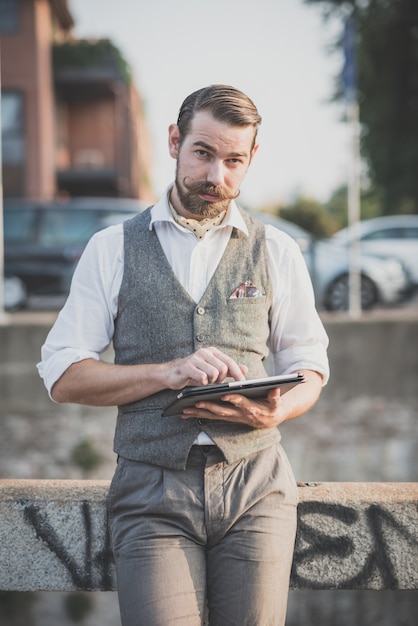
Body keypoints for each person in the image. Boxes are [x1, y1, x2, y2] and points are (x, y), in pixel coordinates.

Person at [38, 84, 329, 626]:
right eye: (203, 152)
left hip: (256, 484)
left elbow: (310, 366)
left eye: (233, 160)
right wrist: (166, 373)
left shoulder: (278, 250)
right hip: (150, 490)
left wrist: (277, 410)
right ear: (175, 141)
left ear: (250, 160)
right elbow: (63, 374)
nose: (216, 175)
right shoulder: (111, 247)